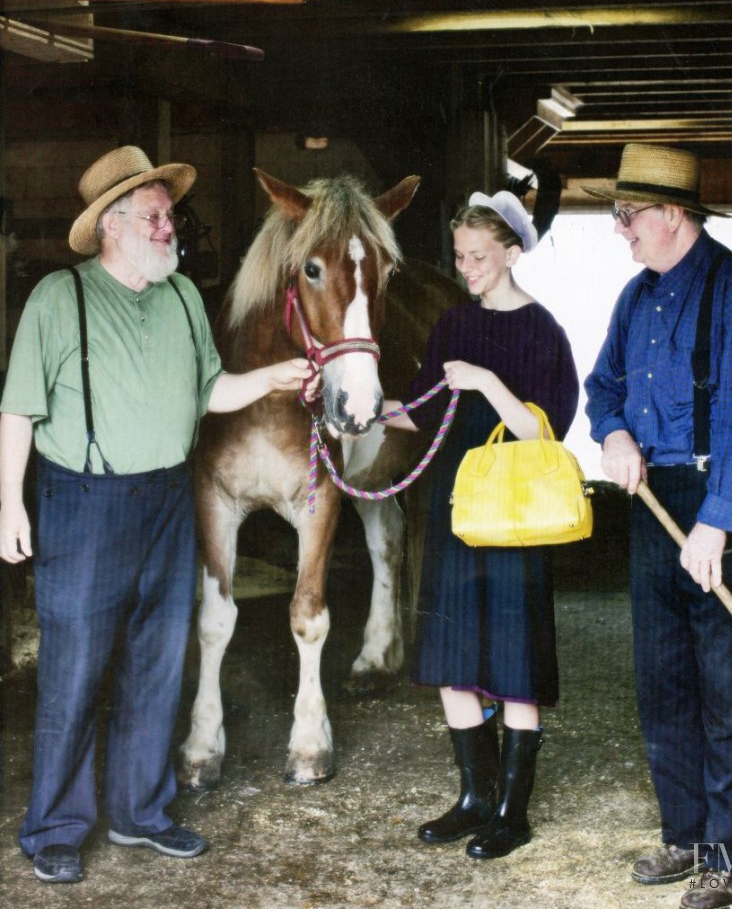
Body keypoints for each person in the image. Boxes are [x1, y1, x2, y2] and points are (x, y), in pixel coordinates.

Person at [0, 146, 316, 884]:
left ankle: (142, 810)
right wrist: (7, 500)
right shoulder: (59, 298)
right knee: (75, 671)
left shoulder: (178, 298)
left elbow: (206, 391)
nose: (170, 224)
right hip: (82, 504)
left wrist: (274, 375)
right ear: (113, 226)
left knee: (156, 660)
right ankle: (56, 825)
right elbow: (17, 408)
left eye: (169, 213)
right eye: (155, 214)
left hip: (168, 502)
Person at [583, 144, 732, 909]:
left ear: (674, 214)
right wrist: (612, 433)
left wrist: (716, 524)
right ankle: (688, 832)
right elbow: (601, 384)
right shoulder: (636, 298)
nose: (620, 229)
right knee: (665, 674)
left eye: (628, 214)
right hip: (658, 498)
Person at [384, 190, 579, 860]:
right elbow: (424, 409)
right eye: (461, 255)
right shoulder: (453, 325)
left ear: (513, 252)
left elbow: (544, 432)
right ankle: (474, 797)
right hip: (457, 509)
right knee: (451, 658)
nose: (466, 267)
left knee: (516, 663)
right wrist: (367, 411)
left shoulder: (544, 332)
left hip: (517, 515)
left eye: (479, 256)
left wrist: (487, 382)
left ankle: (511, 811)